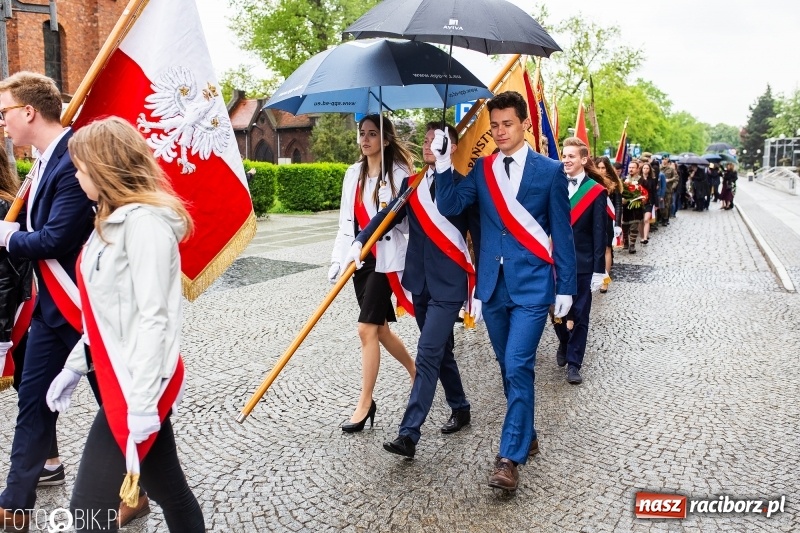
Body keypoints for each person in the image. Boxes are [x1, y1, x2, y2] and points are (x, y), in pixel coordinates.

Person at [45, 117, 204, 531]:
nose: (76, 177)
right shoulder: (108, 221)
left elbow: (155, 318)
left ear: (105, 168)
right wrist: (76, 366)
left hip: (140, 379)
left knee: (88, 510)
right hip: (121, 371)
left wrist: (144, 402)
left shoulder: (145, 224)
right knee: (169, 489)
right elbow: (107, 314)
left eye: (80, 168)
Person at [432, 91, 576, 492]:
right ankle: (526, 433)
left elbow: (561, 233)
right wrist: (444, 163)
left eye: (507, 124)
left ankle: (508, 458)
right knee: (507, 368)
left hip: (532, 285)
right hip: (492, 288)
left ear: (525, 124)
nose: (499, 132)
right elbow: (450, 206)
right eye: (494, 125)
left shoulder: (549, 172)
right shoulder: (482, 170)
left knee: (517, 365)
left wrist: (567, 286)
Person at [348, 122, 477, 459]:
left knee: (428, 351)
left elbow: (452, 211)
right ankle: (460, 406)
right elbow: (387, 216)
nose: (427, 145)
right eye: (425, 139)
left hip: (449, 285)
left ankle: (409, 434)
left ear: (450, 145)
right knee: (441, 350)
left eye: (436, 140)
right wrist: (361, 240)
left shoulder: (465, 186)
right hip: (419, 283)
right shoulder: (411, 183)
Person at [0, 72, 94, 530]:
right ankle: (15, 502)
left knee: (118, 406)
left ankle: (145, 484)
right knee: (32, 401)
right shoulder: (43, 159)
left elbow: (58, 237)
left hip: (86, 308)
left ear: (29, 112)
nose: (3, 124)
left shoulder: (74, 156)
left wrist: (9, 240)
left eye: (5, 113)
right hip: (53, 310)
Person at [329, 114, 415, 432]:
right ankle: (415, 371)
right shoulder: (353, 174)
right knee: (379, 331)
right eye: (361, 134)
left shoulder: (400, 175)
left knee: (365, 330)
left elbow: (403, 221)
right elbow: (345, 223)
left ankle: (365, 403)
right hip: (360, 262)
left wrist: (386, 201)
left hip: (386, 259)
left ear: (386, 139)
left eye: (372, 133)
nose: (364, 140)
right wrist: (338, 261)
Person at [556, 139, 607, 384]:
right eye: (564, 155)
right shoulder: (554, 183)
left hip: (583, 263)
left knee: (580, 313)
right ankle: (564, 342)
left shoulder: (596, 191)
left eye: (571, 156)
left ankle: (574, 363)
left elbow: (599, 233)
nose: (566, 160)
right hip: (555, 261)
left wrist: (599, 270)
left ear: (584, 159)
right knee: (555, 311)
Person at [0, 144, 33, 394]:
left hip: (8, 311)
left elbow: (7, 276)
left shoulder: (6, 209)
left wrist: (2, 335)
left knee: (28, 385)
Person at [594, 156, 622, 293]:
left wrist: (617, 223)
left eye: (603, 168)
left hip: (607, 220)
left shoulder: (613, 183)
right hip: (593, 220)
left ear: (608, 168)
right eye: (598, 167)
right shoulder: (591, 181)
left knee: (607, 249)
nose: (600, 170)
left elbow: (617, 205)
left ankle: (605, 281)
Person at [621, 160, 645, 253]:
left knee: (634, 226)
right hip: (625, 207)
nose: (631, 169)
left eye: (633, 167)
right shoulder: (624, 179)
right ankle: (626, 242)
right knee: (625, 226)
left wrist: (641, 198)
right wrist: (622, 198)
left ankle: (632, 245)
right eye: (630, 167)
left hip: (636, 207)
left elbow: (645, 192)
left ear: (638, 169)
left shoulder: (641, 180)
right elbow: (620, 191)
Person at [639, 162, 658, 244]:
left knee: (646, 219)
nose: (645, 170)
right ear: (641, 169)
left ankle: (645, 237)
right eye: (644, 168)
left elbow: (654, 192)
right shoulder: (639, 179)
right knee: (641, 220)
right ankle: (642, 236)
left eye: (647, 168)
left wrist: (656, 204)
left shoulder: (652, 180)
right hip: (639, 201)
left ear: (649, 170)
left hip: (649, 201)